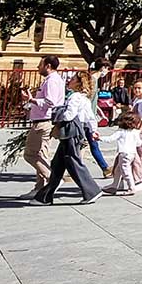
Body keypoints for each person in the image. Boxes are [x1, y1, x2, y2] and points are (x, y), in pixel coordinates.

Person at [30, 75, 102, 205]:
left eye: (73, 79)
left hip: (70, 133)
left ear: (79, 83)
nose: (70, 80)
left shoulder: (74, 97)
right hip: (75, 133)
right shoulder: (84, 98)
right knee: (58, 165)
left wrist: (57, 113)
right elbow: (90, 117)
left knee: (73, 162)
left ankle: (92, 191)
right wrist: (93, 130)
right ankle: (45, 197)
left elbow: (69, 115)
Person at [19, 55, 65, 200]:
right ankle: (40, 187)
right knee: (41, 154)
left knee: (30, 154)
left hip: (44, 121)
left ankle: (52, 179)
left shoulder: (52, 81)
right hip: (43, 120)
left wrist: (31, 100)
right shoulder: (53, 80)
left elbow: (50, 101)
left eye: (40, 64)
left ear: (48, 66)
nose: (38, 67)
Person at [101, 111, 142, 195]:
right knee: (118, 170)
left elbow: (110, 139)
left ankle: (131, 188)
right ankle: (114, 185)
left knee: (126, 171)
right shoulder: (135, 132)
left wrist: (99, 138)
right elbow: (139, 143)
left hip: (124, 153)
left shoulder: (121, 131)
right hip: (132, 154)